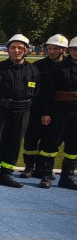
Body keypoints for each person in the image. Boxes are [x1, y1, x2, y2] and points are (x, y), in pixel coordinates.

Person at [0, 34, 40, 188]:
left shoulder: (33, 70)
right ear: (7, 50)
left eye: (20, 47)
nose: (16, 50)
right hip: (1, 111)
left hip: (23, 111)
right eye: (13, 47)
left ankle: (6, 174)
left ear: (26, 50)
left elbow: (37, 92)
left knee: (15, 143)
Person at [20, 34, 68, 180]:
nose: (51, 51)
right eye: (49, 48)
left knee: (50, 141)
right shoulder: (38, 66)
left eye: (55, 49)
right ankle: (29, 167)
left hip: (58, 110)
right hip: (36, 107)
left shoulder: (68, 66)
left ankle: (43, 168)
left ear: (64, 50)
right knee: (31, 139)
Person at [35, 36, 77, 189]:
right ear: (69, 50)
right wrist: (46, 113)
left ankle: (67, 177)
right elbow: (48, 93)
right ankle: (46, 175)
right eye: (73, 49)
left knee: (73, 147)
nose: (75, 52)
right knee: (50, 144)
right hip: (59, 111)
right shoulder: (58, 68)